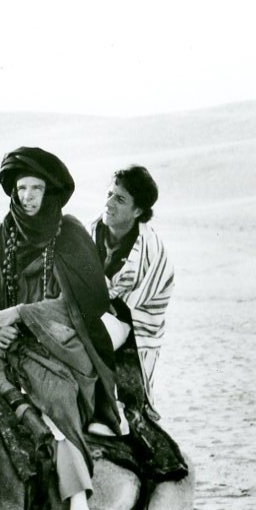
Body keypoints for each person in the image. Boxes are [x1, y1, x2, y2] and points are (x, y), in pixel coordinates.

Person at [0, 146, 123, 510]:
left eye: (36, 188)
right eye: (21, 188)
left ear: (49, 191)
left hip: (61, 350)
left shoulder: (69, 235)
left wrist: (19, 315)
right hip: (4, 347)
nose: (28, 197)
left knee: (55, 404)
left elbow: (82, 305)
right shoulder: (0, 236)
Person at [89, 165, 174, 416]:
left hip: (132, 332)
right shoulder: (89, 233)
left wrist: (102, 299)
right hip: (92, 315)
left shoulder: (151, 252)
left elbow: (138, 305)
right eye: (109, 194)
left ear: (137, 211)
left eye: (120, 199)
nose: (108, 203)